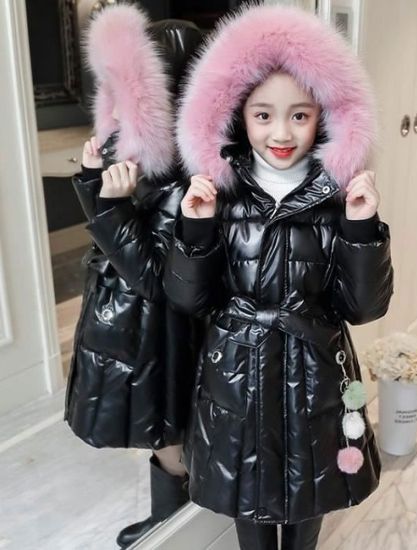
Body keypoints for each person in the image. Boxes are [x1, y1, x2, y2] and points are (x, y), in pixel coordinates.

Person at [163, 4, 394, 550]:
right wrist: (195, 231)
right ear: (237, 115)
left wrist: (361, 229)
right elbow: (189, 300)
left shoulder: (340, 195)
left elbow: (363, 307)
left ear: (326, 115)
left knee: (311, 501)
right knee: (249, 505)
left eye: (300, 115)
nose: (282, 132)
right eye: (263, 115)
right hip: (236, 375)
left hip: (316, 373)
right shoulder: (217, 193)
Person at [63, 5, 203, 548]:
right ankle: (172, 521)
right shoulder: (143, 154)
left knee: (168, 428)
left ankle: (183, 527)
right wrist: (94, 182)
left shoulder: (186, 173)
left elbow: (152, 276)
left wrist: (110, 204)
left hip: (159, 330)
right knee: (161, 428)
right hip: (135, 326)